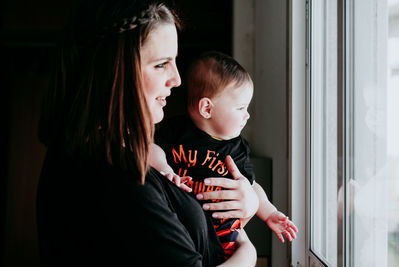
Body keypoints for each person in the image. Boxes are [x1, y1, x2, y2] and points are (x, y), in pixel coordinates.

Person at [36, 1, 258, 266]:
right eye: (161, 64)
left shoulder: (115, 151)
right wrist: (247, 253)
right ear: (116, 71)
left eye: (175, 62)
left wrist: (249, 202)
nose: (176, 79)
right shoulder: (116, 174)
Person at [151, 51, 298, 259]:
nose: (247, 115)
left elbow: (251, 185)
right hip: (181, 230)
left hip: (223, 244)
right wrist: (165, 170)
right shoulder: (177, 131)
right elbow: (152, 148)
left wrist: (269, 212)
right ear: (207, 108)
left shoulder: (237, 148)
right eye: (240, 108)